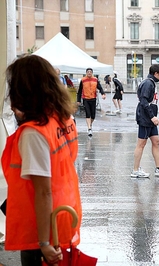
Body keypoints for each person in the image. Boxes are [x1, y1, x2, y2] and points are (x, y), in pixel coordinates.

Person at [2, 55, 82, 266]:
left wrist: (44, 242)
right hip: (62, 211)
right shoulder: (64, 118)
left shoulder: (33, 134)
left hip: (40, 224)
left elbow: (43, 190)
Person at [131, 64, 159, 178]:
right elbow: (143, 101)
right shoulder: (148, 83)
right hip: (145, 118)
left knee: (156, 141)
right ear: (156, 73)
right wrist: (152, 117)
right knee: (141, 143)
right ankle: (135, 170)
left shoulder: (151, 83)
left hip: (150, 118)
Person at [77, 67, 106, 137]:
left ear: (92, 73)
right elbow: (80, 91)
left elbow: (100, 87)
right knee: (88, 113)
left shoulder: (95, 79)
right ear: (86, 73)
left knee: (93, 115)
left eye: (90, 72)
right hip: (85, 99)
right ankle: (89, 128)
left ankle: (90, 124)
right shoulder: (83, 80)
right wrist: (78, 100)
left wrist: (103, 94)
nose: (89, 73)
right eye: (88, 72)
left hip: (93, 99)